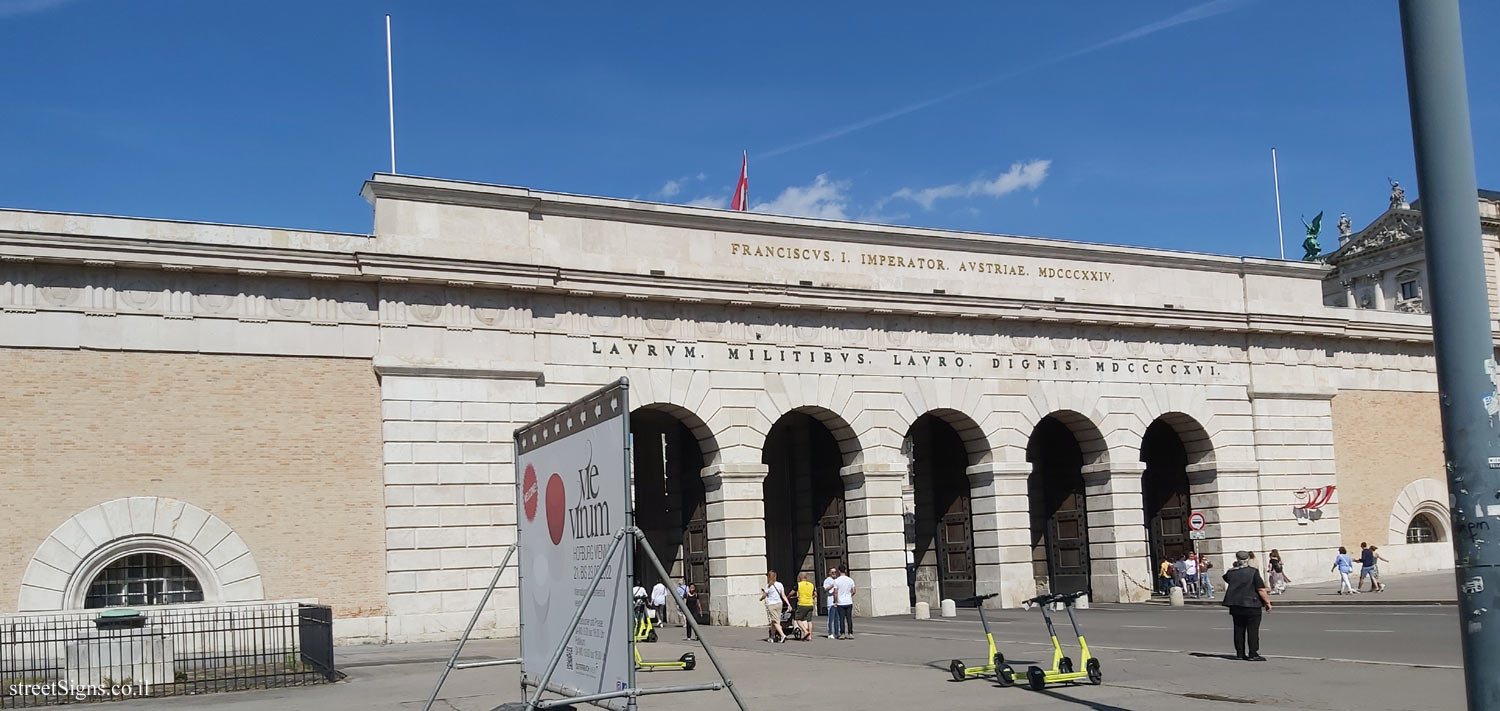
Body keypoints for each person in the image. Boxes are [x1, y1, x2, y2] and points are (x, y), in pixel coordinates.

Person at [1221, 550, 1272, 661]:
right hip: (1252, 605)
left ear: (1237, 558)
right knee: (1252, 630)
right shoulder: (1253, 572)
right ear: (1248, 559)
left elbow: (1227, 578)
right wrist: (1267, 602)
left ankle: (1240, 653)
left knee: (1238, 629)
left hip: (1236, 604)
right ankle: (1253, 653)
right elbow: (1260, 589)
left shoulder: (1231, 573)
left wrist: (1235, 568)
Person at [760, 571, 790, 643]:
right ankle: (772, 637)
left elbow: (765, 595)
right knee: (775, 621)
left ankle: (782, 635)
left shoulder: (768, 586)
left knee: (775, 621)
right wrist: (788, 604)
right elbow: (783, 595)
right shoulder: (780, 584)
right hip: (779, 603)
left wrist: (761, 598)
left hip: (771, 604)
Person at [832, 567, 856, 639]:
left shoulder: (837, 581)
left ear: (839, 571)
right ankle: (850, 633)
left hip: (840, 602)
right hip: (848, 601)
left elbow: (835, 592)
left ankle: (842, 633)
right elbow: (854, 590)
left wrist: (835, 601)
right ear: (845, 571)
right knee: (849, 618)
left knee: (841, 618)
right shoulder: (850, 580)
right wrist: (849, 595)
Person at [794, 572, 816, 641]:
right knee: (809, 620)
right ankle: (810, 636)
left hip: (802, 604)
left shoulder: (799, 584)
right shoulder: (811, 585)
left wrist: (788, 596)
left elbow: (792, 592)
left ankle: (805, 632)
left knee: (798, 619)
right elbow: (815, 594)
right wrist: (810, 597)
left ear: (800, 578)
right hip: (810, 604)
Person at [823, 567, 840, 639]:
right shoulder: (827, 580)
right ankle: (830, 633)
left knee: (837, 618)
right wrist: (832, 585)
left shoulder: (838, 580)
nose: (834, 574)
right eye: (832, 572)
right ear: (829, 573)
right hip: (830, 602)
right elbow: (825, 589)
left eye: (835, 572)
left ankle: (837, 632)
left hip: (838, 602)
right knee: (831, 618)